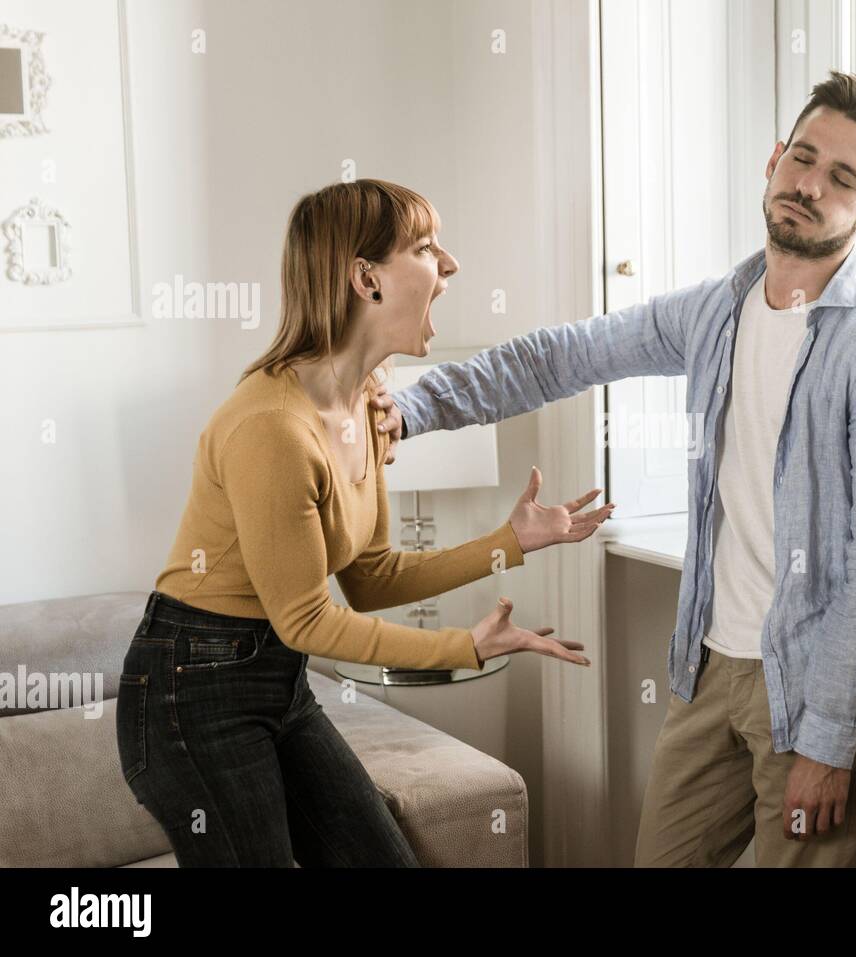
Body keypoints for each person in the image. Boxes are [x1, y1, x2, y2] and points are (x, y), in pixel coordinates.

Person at [372, 72, 856, 867]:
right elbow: (560, 357)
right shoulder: (716, 311)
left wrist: (831, 742)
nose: (811, 184)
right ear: (775, 159)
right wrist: (410, 407)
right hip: (709, 667)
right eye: (803, 158)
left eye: (843, 177)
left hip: (815, 688)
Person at [116, 179, 614, 867]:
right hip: (190, 694)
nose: (451, 265)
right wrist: (462, 645)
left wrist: (510, 543)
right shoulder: (272, 428)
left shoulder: (369, 404)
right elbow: (309, 621)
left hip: (278, 685)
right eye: (425, 246)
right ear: (365, 279)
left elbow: (373, 578)